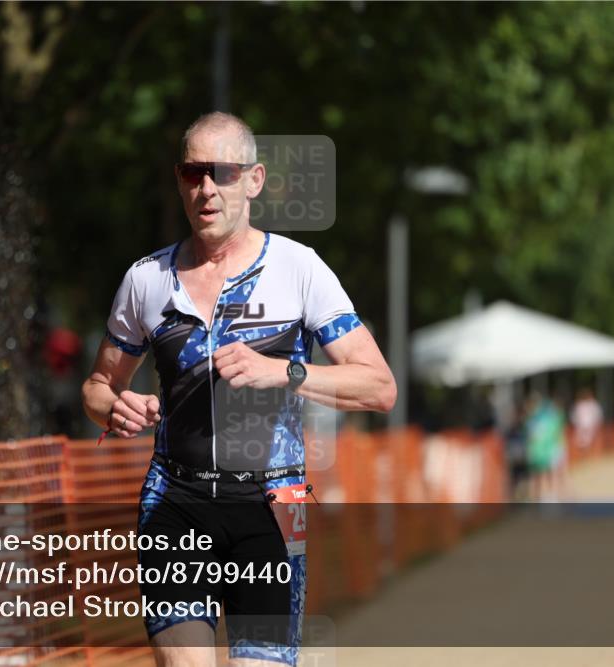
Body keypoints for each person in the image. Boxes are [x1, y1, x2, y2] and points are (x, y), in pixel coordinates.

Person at [82, 112, 396, 667]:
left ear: (253, 180)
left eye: (222, 173)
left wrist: (287, 373)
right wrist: (116, 407)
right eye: (192, 172)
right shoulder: (147, 279)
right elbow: (99, 386)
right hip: (174, 502)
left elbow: (378, 387)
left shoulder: (300, 269)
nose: (205, 188)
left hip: (270, 506)